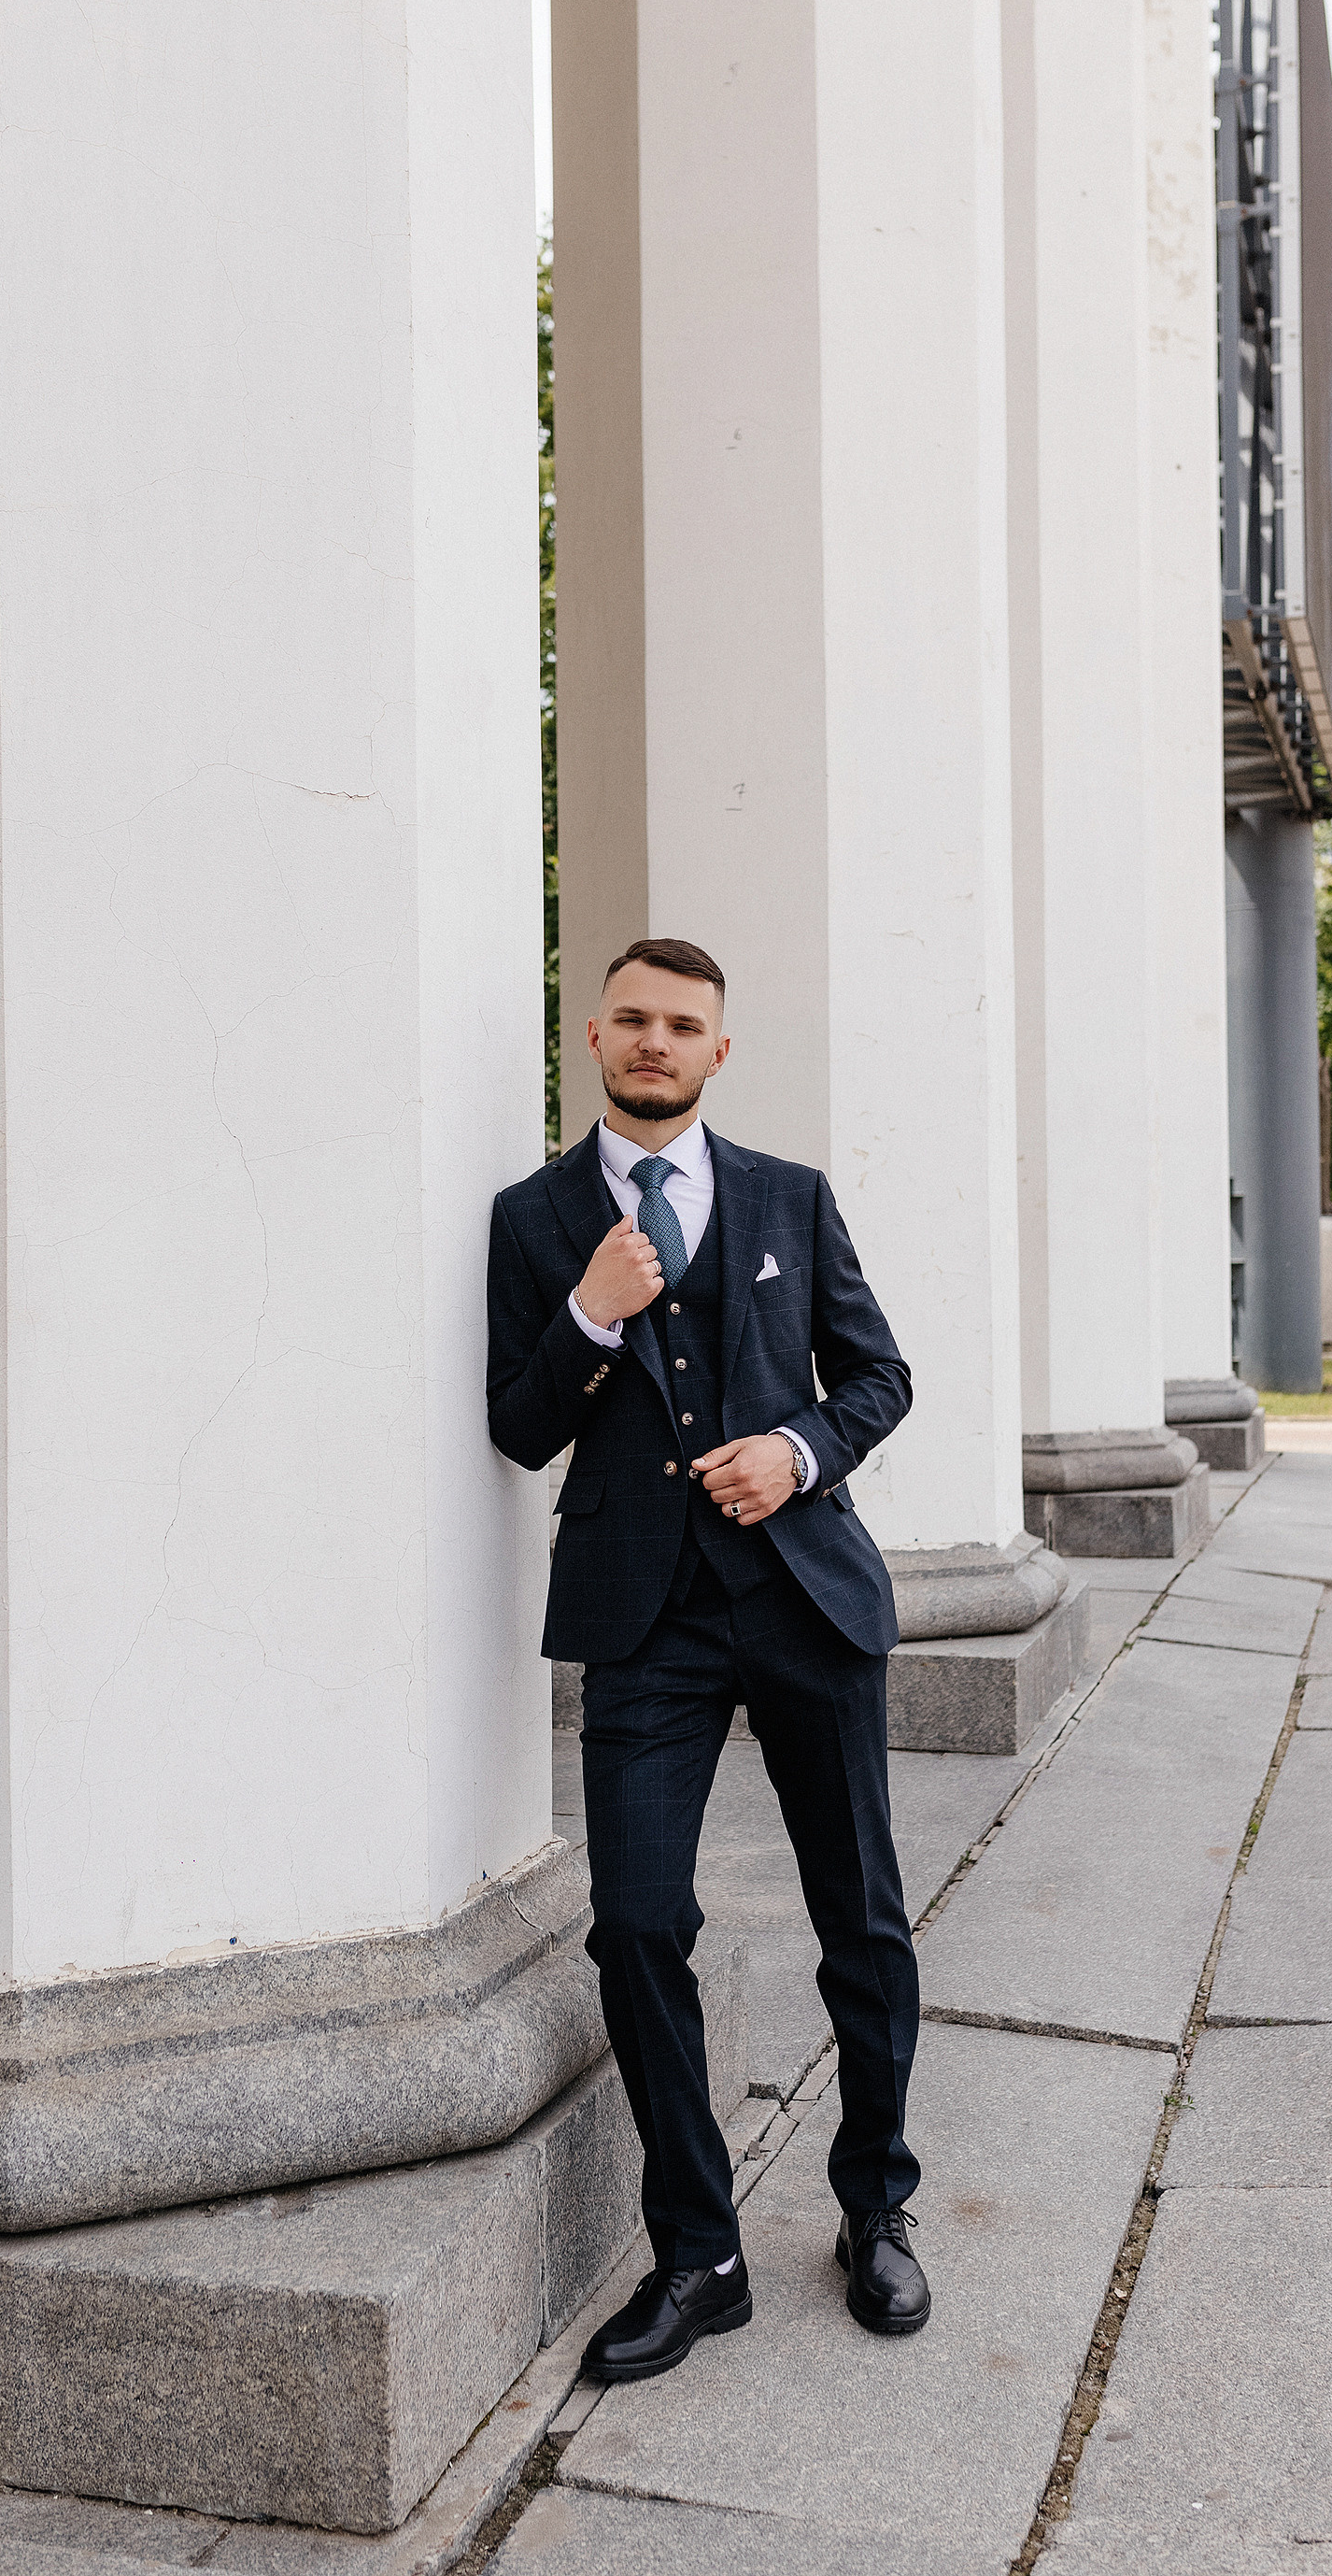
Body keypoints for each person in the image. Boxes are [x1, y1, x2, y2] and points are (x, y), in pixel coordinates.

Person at [486, 937, 927, 2386]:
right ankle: (700, 2255)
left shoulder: (792, 1196)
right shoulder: (535, 1218)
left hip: (805, 1599)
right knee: (634, 1924)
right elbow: (519, 1426)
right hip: (643, 1620)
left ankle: (875, 2208)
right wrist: (591, 1313)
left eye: (684, 1025)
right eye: (634, 1019)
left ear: (717, 1050)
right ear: (596, 1036)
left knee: (862, 1920)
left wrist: (798, 1451)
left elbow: (879, 1377)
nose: (657, 1042)